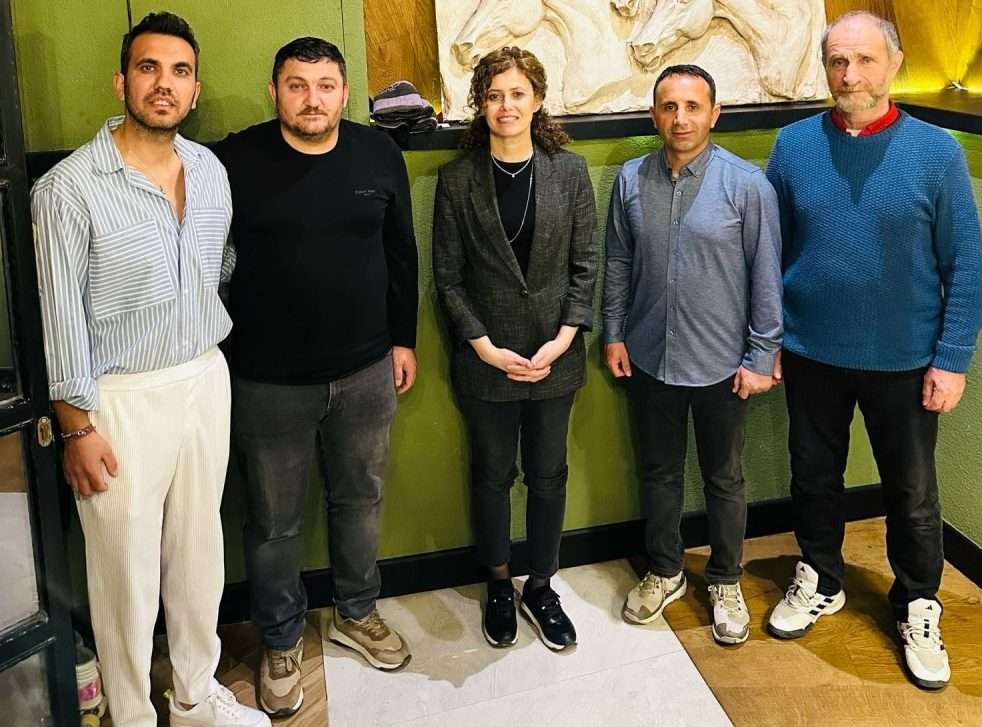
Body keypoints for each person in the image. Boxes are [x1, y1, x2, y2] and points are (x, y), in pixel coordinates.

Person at [30, 12, 268, 727]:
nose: (164, 84)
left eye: (180, 71)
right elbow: (59, 317)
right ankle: (132, 714)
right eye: (148, 68)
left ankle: (195, 695)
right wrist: (76, 427)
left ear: (194, 90)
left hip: (204, 376)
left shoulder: (211, 171)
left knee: (200, 551)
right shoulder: (68, 189)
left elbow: (219, 267)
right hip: (119, 397)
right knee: (124, 574)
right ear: (121, 82)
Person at [764, 11, 982, 690]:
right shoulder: (793, 146)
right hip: (811, 351)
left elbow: (965, 264)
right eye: (837, 61)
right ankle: (820, 576)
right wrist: (768, 339)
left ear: (894, 64)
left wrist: (952, 358)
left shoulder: (937, 152)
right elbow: (769, 252)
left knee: (912, 493)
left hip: (906, 360)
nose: (849, 75)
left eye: (863, 60)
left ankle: (918, 602)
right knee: (813, 477)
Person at [213, 37, 419, 717]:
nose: (312, 99)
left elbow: (402, 252)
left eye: (325, 85)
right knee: (274, 521)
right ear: (275, 91)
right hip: (266, 381)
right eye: (297, 85)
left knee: (361, 498)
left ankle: (357, 611)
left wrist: (404, 339)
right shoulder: (233, 161)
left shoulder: (377, 153)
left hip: (366, 371)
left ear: (344, 92)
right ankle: (279, 639)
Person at [603, 65, 783, 645]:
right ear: (654, 115)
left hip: (722, 364)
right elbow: (619, 263)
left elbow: (766, 274)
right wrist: (613, 333)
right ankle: (665, 569)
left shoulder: (747, 185)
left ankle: (725, 579)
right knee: (657, 472)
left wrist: (761, 356)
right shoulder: (630, 180)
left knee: (724, 478)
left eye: (692, 106)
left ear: (714, 114)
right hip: (649, 356)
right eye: (669, 107)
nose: (680, 118)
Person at [432, 47, 597, 651]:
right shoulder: (456, 179)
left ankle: (542, 584)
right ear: (481, 103)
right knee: (492, 475)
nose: (507, 106)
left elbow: (586, 265)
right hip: (487, 361)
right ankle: (500, 582)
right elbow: (448, 278)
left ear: (538, 100)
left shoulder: (570, 172)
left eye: (518, 94)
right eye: (495, 95)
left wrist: (564, 338)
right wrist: (483, 346)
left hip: (557, 355)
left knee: (549, 475)